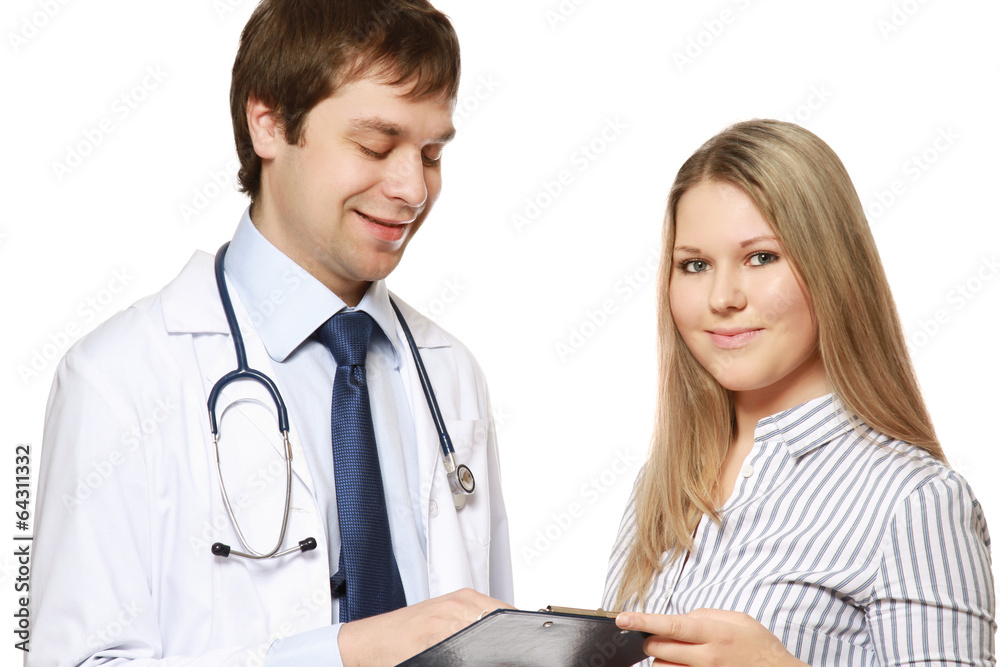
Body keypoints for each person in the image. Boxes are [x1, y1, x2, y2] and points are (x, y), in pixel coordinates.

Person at [28, 1, 513, 665]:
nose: (411, 188)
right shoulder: (119, 379)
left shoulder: (449, 374)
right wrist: (344, 652)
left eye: (430, 153)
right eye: (376, 145)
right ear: (269, 123)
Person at [601, 120, 995, 665]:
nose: (722, 297)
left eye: (761, 257)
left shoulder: (915, 500)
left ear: (831, 267)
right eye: (695, 265)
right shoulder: (663, 484)